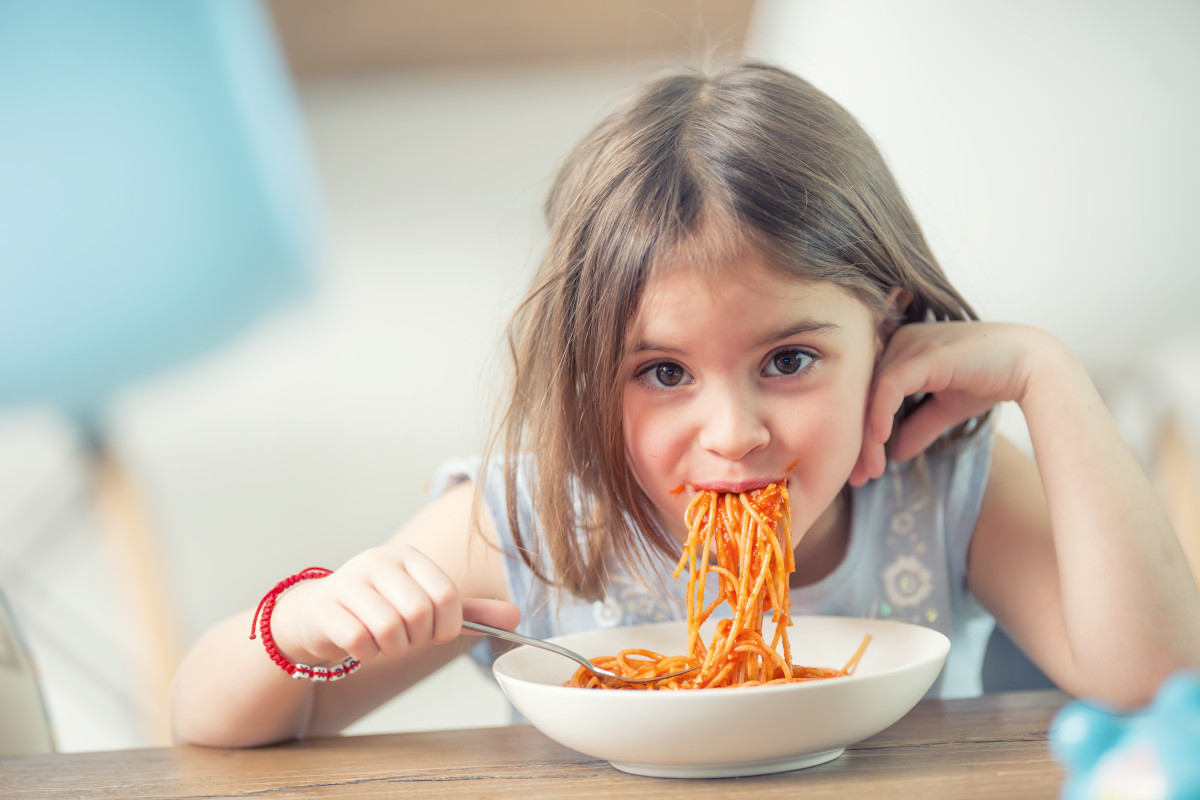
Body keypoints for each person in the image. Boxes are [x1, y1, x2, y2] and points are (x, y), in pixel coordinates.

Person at [170, 60, 1200, 748]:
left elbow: (1151, 680)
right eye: (663, 373)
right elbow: (211, 723)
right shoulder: (534, 527)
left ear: (887, 323)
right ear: (586, 370)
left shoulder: (943, 490)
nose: (733, 432)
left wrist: (1046, 374)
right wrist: (298, 622)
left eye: (789, 359)